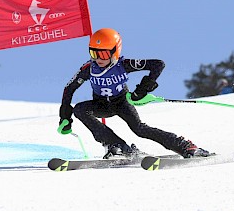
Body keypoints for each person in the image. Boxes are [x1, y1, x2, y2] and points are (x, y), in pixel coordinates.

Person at [58, 28, 210, 159]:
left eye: (103, 54)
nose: (98, 59)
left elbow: (158, 65)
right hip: (101, 105)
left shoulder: (123, 65)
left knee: (139, 129)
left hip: (122, 102)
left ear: (115, 52)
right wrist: (65, 116)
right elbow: (69, 88)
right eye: (94, 53)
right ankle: (117, 146)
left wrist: (142, 90)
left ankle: (184, 146)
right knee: (79, 109)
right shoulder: (89, 69)